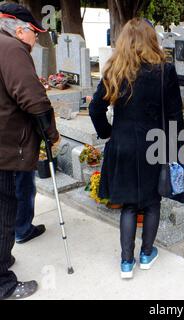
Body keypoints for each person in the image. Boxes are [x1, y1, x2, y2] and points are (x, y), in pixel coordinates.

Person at [89, 18, 184, 279]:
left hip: (122, 144)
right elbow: (175, 116)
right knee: (152, 202)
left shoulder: (114, 69)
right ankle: (146, 254)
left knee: (129, 206)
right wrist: (177, 149)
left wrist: (107, 133)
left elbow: (95, 108)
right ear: (151, 39)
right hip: (154, 145)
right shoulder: (164, 71)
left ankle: (125, 263)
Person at [0, 3, 59, 299]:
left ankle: (3, 257)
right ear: (20, 30)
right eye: (34, 33)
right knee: (4, 208)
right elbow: (33, 98)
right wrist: (50, 134)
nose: (36, 39)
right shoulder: (11, 49)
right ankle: (3, 282)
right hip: (6, 146)